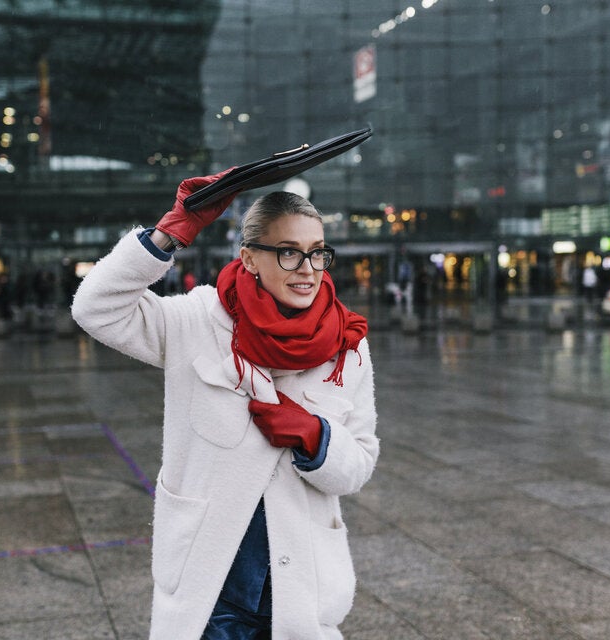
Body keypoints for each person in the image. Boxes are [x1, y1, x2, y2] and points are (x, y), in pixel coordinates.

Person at [71, 170, 379, 639]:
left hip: (301, 591)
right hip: (211, 591)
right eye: (289, 252)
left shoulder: (348, 345)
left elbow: (359, 462)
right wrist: (170, 233)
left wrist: (317, 439)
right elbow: (96, 309)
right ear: (250, 258)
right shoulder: (196, 320)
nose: (308, 268)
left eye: (318, 252)